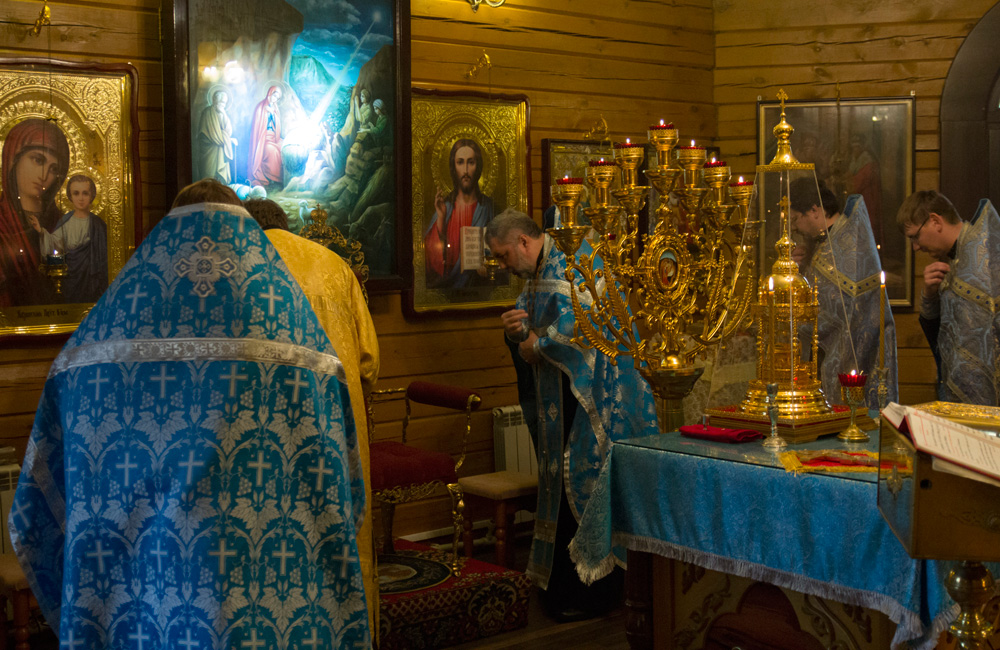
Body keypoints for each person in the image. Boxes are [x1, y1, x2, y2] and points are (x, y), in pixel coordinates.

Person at [11, 178, 371, 648]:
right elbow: (345, 493)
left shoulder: (90, 353)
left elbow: (35, 515)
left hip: (139, 612)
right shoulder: (302, 347)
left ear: (168, 234)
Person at [486, 209, 658, 622]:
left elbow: (586, 329)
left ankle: (594, 593)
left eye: (504, 255)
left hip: (597, 402)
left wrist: (537, 345)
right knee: (559, 486)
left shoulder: (575, 262)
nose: (504, 265)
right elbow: (534, 330)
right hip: (562, 398)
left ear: (523, 241)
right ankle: (559, 587)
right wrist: (517, 334)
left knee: (583, 483)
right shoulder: (537, 273)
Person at [244, 197, 380, 634]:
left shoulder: (241, 267)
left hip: (268, 428)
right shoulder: (334, 266)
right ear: (286, 224)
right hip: (339, 421)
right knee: (344, 524)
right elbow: (369, 361)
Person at [790, 178, 898, 409]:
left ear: (814, 210)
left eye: (795, 218)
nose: (794, 228)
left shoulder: (847, 245)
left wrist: (791, 319)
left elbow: (837, 311)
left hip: (852, 358)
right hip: (825, 356)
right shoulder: (827, 243)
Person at [898, 189, 1000, 405]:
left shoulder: (985, 257)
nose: (915, 247)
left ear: (935, 221)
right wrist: (929, 296)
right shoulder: (957, 258)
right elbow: (945, 336)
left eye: (915, 236)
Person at [0, 118, 70, 307]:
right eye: (38, 160)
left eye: (54, 169)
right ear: (13, 159)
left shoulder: (62, 222)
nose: (44, 176)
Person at [425, 138, 495, 289]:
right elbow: (429, 259)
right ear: (453, 167)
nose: (465, 171)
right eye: (460, 162)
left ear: (478, 166)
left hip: (479, 288)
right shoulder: (445, 208)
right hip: (447, 289)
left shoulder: (488, 207)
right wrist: (441, 219)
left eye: (471, 162)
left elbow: (500, 245)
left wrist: (488, 264)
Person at [27, 173, 108, 303]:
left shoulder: (98, 225)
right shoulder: (66, 221)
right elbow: (55, 245)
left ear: (92, 195)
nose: (81, 198)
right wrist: (40, 231)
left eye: (85, 193)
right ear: (70, 196)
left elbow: (104, 257)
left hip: (91, 278)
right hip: (70, 277)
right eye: (76, 193)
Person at [197, 88, 237, 183]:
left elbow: (228, 131)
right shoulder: (207, 113)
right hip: (209, 149)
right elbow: (209, 134)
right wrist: (227, 140)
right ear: (215, 101)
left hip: (221, 149)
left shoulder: (223, 114)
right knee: (209, 176)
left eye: (225, 103)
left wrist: (223, 113)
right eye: (222, 102)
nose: (223, 105)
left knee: (219, 181)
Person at [249, 85, 284, 187]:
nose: (275, 99)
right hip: (263, 138)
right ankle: (272, 178)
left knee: (282, 147)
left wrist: (273, 114)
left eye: (277, 98)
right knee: (271, 150)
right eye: (274, 96)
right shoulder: (260, 107)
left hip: (273, 136)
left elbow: (277, 125)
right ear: (270, 94)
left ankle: (280, 178)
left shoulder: (275, 108)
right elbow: (258, 126)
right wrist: (265, 113)